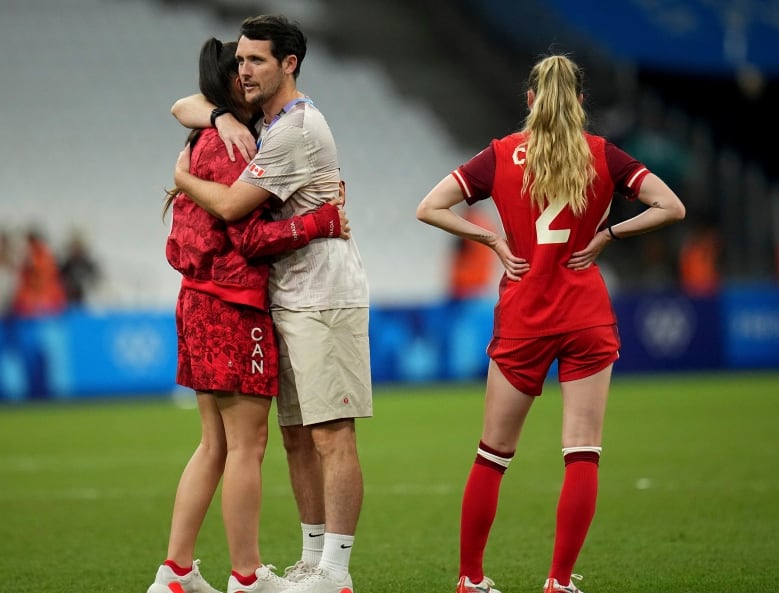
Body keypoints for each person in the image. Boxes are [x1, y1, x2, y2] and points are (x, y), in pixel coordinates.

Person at [416, 54, 685, 593]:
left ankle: (470, 579)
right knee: (582, 451)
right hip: (585, 314)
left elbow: (430, 207)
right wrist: (608, 235)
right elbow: (670, 206)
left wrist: (492, 239)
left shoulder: (500, 156)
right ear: (580, 102)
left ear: (531, 101)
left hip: (523, 315)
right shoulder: (602, 154)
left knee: (492, 455)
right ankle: (559, 583)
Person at [171, 15, 372, 593]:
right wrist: (219, 112)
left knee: (331, 434)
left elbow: (237, 213)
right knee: (293, 438)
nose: (244, 70)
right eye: (239, 61)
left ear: (289, 64)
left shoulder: (293, 130)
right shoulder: (256, 120)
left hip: (322, 296)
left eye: (256, 60)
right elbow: (184, 103)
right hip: (281, 297)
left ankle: (334, 571)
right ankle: (311, 560)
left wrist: (182, 178)